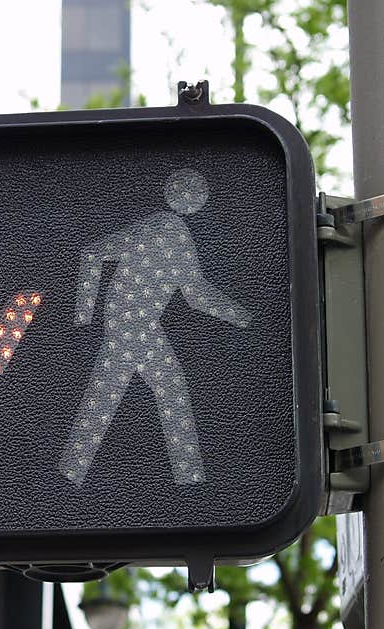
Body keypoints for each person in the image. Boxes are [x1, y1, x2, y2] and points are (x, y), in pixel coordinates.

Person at [59, 169, 251, 486]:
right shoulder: (163, 226)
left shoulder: (176, 234)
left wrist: (239, 317)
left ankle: (70, 475)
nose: (194, 199)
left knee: (108, 395)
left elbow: (193, 294)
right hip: (131, 323)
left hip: (133, 323)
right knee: (167, 391)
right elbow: (92, 253)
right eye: (192, 192)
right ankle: (189, 481)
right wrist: (82, 317)